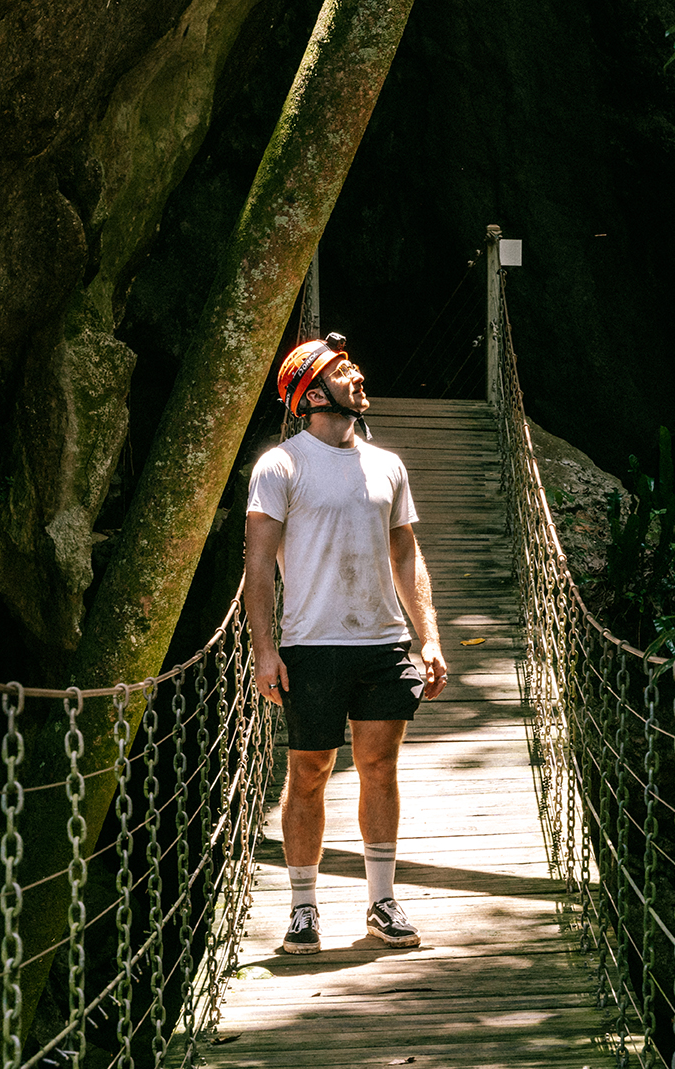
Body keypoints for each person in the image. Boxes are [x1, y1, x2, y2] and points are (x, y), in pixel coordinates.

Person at [244, 332, 448, 956]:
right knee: (309, 772)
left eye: (355, 365)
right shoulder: (281, 466)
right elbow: (256, 568)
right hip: (312, 644)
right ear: (311, 393)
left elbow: (406, 551)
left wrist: (429, 637)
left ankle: (381, 901)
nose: (358, 375)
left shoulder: (387, 464)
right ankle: (303, 908)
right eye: (343, 369)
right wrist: (264, 650)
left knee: (379, 767)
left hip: (383, 642)